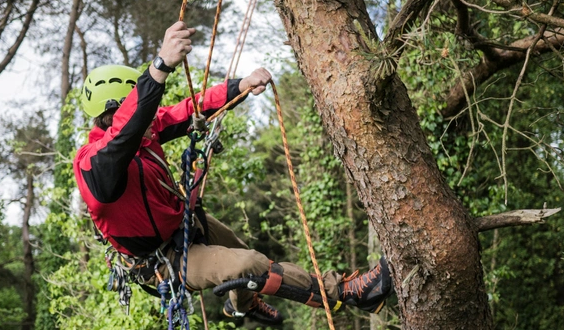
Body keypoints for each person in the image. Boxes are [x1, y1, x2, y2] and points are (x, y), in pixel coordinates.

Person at [73, 21, 393, 325]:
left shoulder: (147, 129)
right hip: (161, 262)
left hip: (183, 224)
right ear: (119, 112)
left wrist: (240, 85)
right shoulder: (93, 165)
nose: (153, 118)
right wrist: (159, 66)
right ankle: (348, 294)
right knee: (248, 265)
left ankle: (241, 305)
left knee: (239, 250)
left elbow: (190, 109)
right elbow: (121, 140)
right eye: (143, 111)